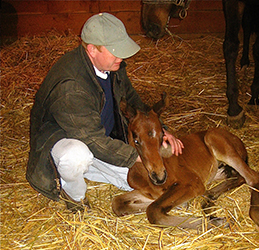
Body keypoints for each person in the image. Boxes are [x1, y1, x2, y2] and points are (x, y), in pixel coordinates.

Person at [26, 13, 183, 213]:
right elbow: (92, 140)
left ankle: (93, 168)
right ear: (92, 49)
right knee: (76, 157)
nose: (122, 57)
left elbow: (134, 101)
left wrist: (161, 130)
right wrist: (141, 155)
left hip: (103, 137)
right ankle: (74, 196)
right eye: (116, 51)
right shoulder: (71, 87)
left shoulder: (113, 66)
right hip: (67, 138)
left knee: (137, 180)